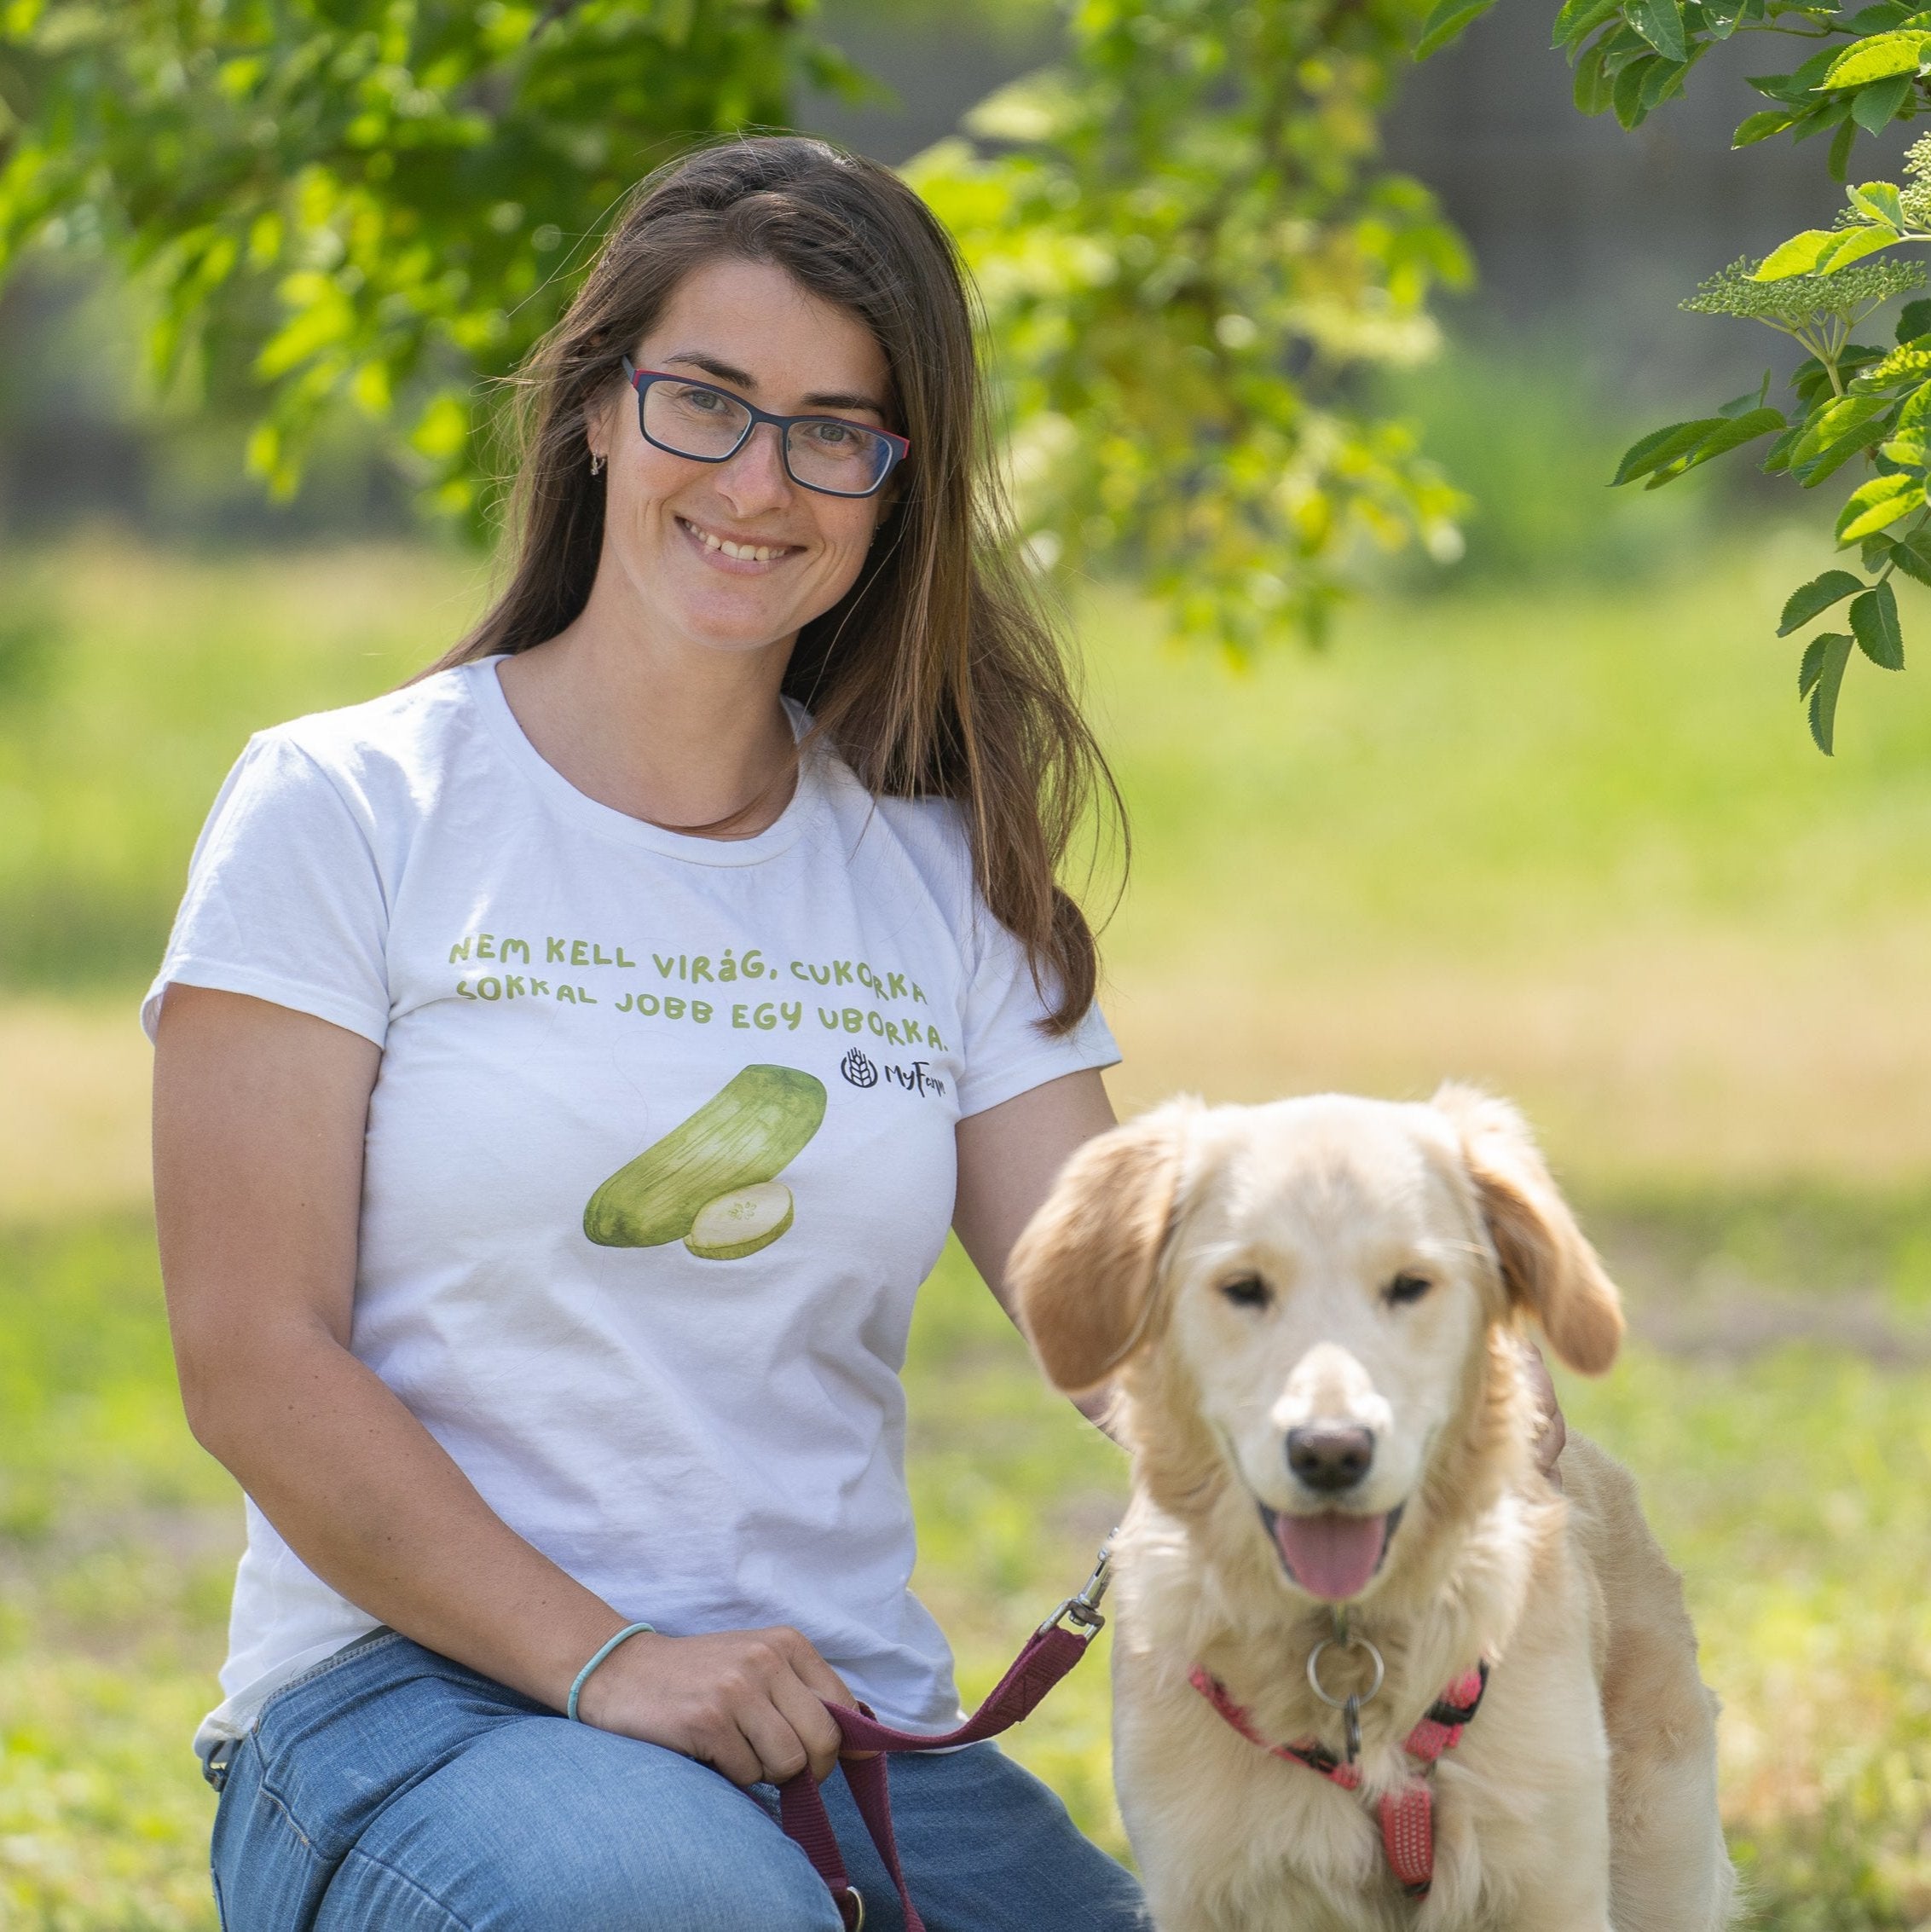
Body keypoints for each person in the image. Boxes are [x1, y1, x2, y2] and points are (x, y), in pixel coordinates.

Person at [149, 136, 1149, 1930]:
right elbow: (249, 1352)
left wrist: (1383, 1374)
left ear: (893, 486)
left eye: (835, 429)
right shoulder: (348, 804)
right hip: (411, 1710)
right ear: (599, 410)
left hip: (833, 1735)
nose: (761, 480)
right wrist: (602, 1655)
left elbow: (1121, 1312)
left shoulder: (930, 872)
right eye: (707, 400)